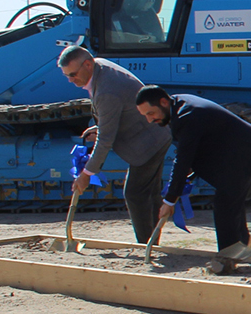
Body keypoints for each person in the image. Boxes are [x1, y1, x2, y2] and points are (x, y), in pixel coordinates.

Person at [57, 45, 172, 243]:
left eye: (73, 74)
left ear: (87, 64)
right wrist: (100, 127)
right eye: (67, 75)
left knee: (135, 194)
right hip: (155, 133)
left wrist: (87, 174)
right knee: (148, 193)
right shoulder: (99, 66)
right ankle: (153, 242)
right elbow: (117, 112)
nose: (70, 80)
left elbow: (105, 141)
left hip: (148, 142)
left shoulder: (106, 91)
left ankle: (147, 245)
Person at [134, 87, 251, 254]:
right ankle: (243, 248)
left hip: (244, 151)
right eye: (145, 115)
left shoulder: (186, 115)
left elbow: (183, 158)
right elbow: (189, 156)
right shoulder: (179, 105)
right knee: (231, 202)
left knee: (225, 203)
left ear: (163, 102)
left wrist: (169, 200)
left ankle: (229, 255)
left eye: (151, 113)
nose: (149, 120)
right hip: (235, 151)